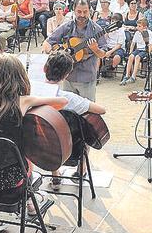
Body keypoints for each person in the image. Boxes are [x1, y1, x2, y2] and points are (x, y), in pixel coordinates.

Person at [0, 54, 66, 233]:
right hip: (13, 179)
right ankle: (30, 203)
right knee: (25, 156)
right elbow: (63, 102)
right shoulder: (22, 101)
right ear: (20, 77)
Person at [42, 53, 107, 191]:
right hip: (70, 150)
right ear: (66, 75)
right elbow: (101, 110)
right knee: (84, 129)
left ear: (44, 69)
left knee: (48, 130)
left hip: (38, 148)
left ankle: (55, 176)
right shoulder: (69, 98)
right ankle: (81, 170)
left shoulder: (31, 92)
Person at [43, 0, 109, 101]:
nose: (82, 15)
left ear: (90, 11)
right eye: (79, 11)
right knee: (68, 107)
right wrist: (55, 56)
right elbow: (47, 42)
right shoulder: (67, 26)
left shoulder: (96, 29)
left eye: (85, 12)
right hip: (68, 77)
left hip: (87, 77)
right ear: (73, 10)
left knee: (88, 108)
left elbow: (103, 54)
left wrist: (96, 49)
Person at [121, 17, 152, 85]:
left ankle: (133, 76)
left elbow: (151, 45)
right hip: (138, 49)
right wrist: (130, 52)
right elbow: (133, 43)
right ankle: (127, 75)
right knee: (131, 56)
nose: (137, 27)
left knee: (137, 57)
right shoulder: (137, 33)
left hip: (145, 50)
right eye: (137, 26)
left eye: (139, 26)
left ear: (145, 27)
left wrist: (148, 53)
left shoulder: (150, 33)